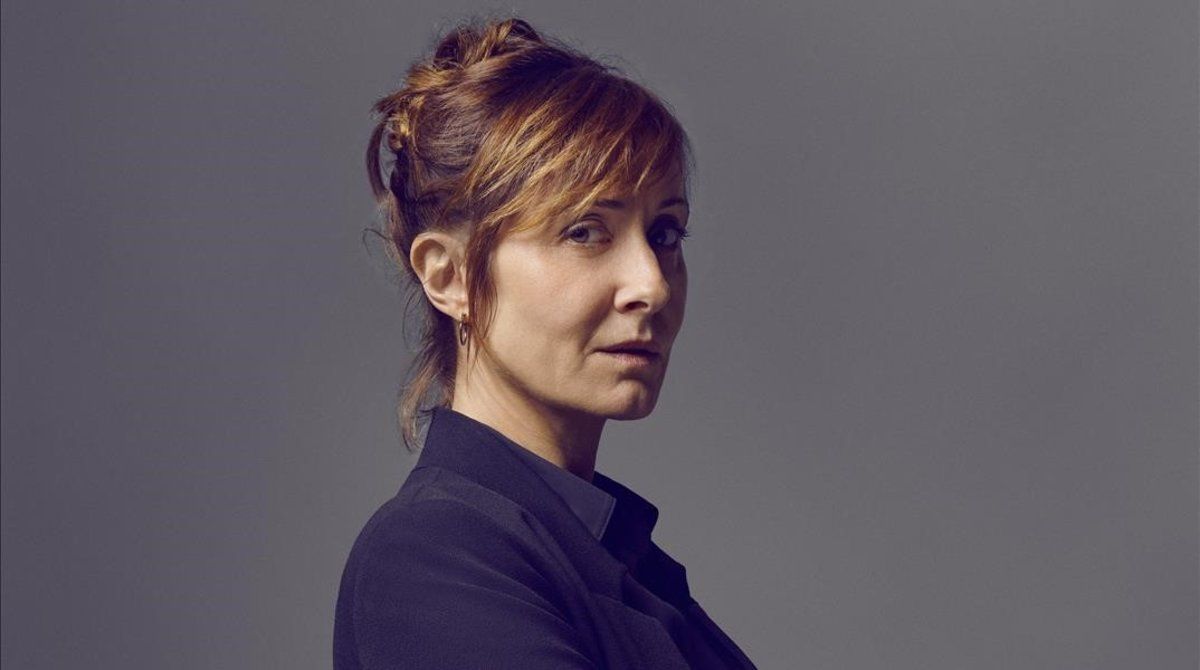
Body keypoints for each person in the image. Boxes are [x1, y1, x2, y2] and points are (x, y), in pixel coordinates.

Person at [333, 16, 758, 669]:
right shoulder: (432, 555)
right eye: (584, 231)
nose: (651, 285)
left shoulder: (622, 565)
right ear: (449, 277)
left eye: (665, 234)